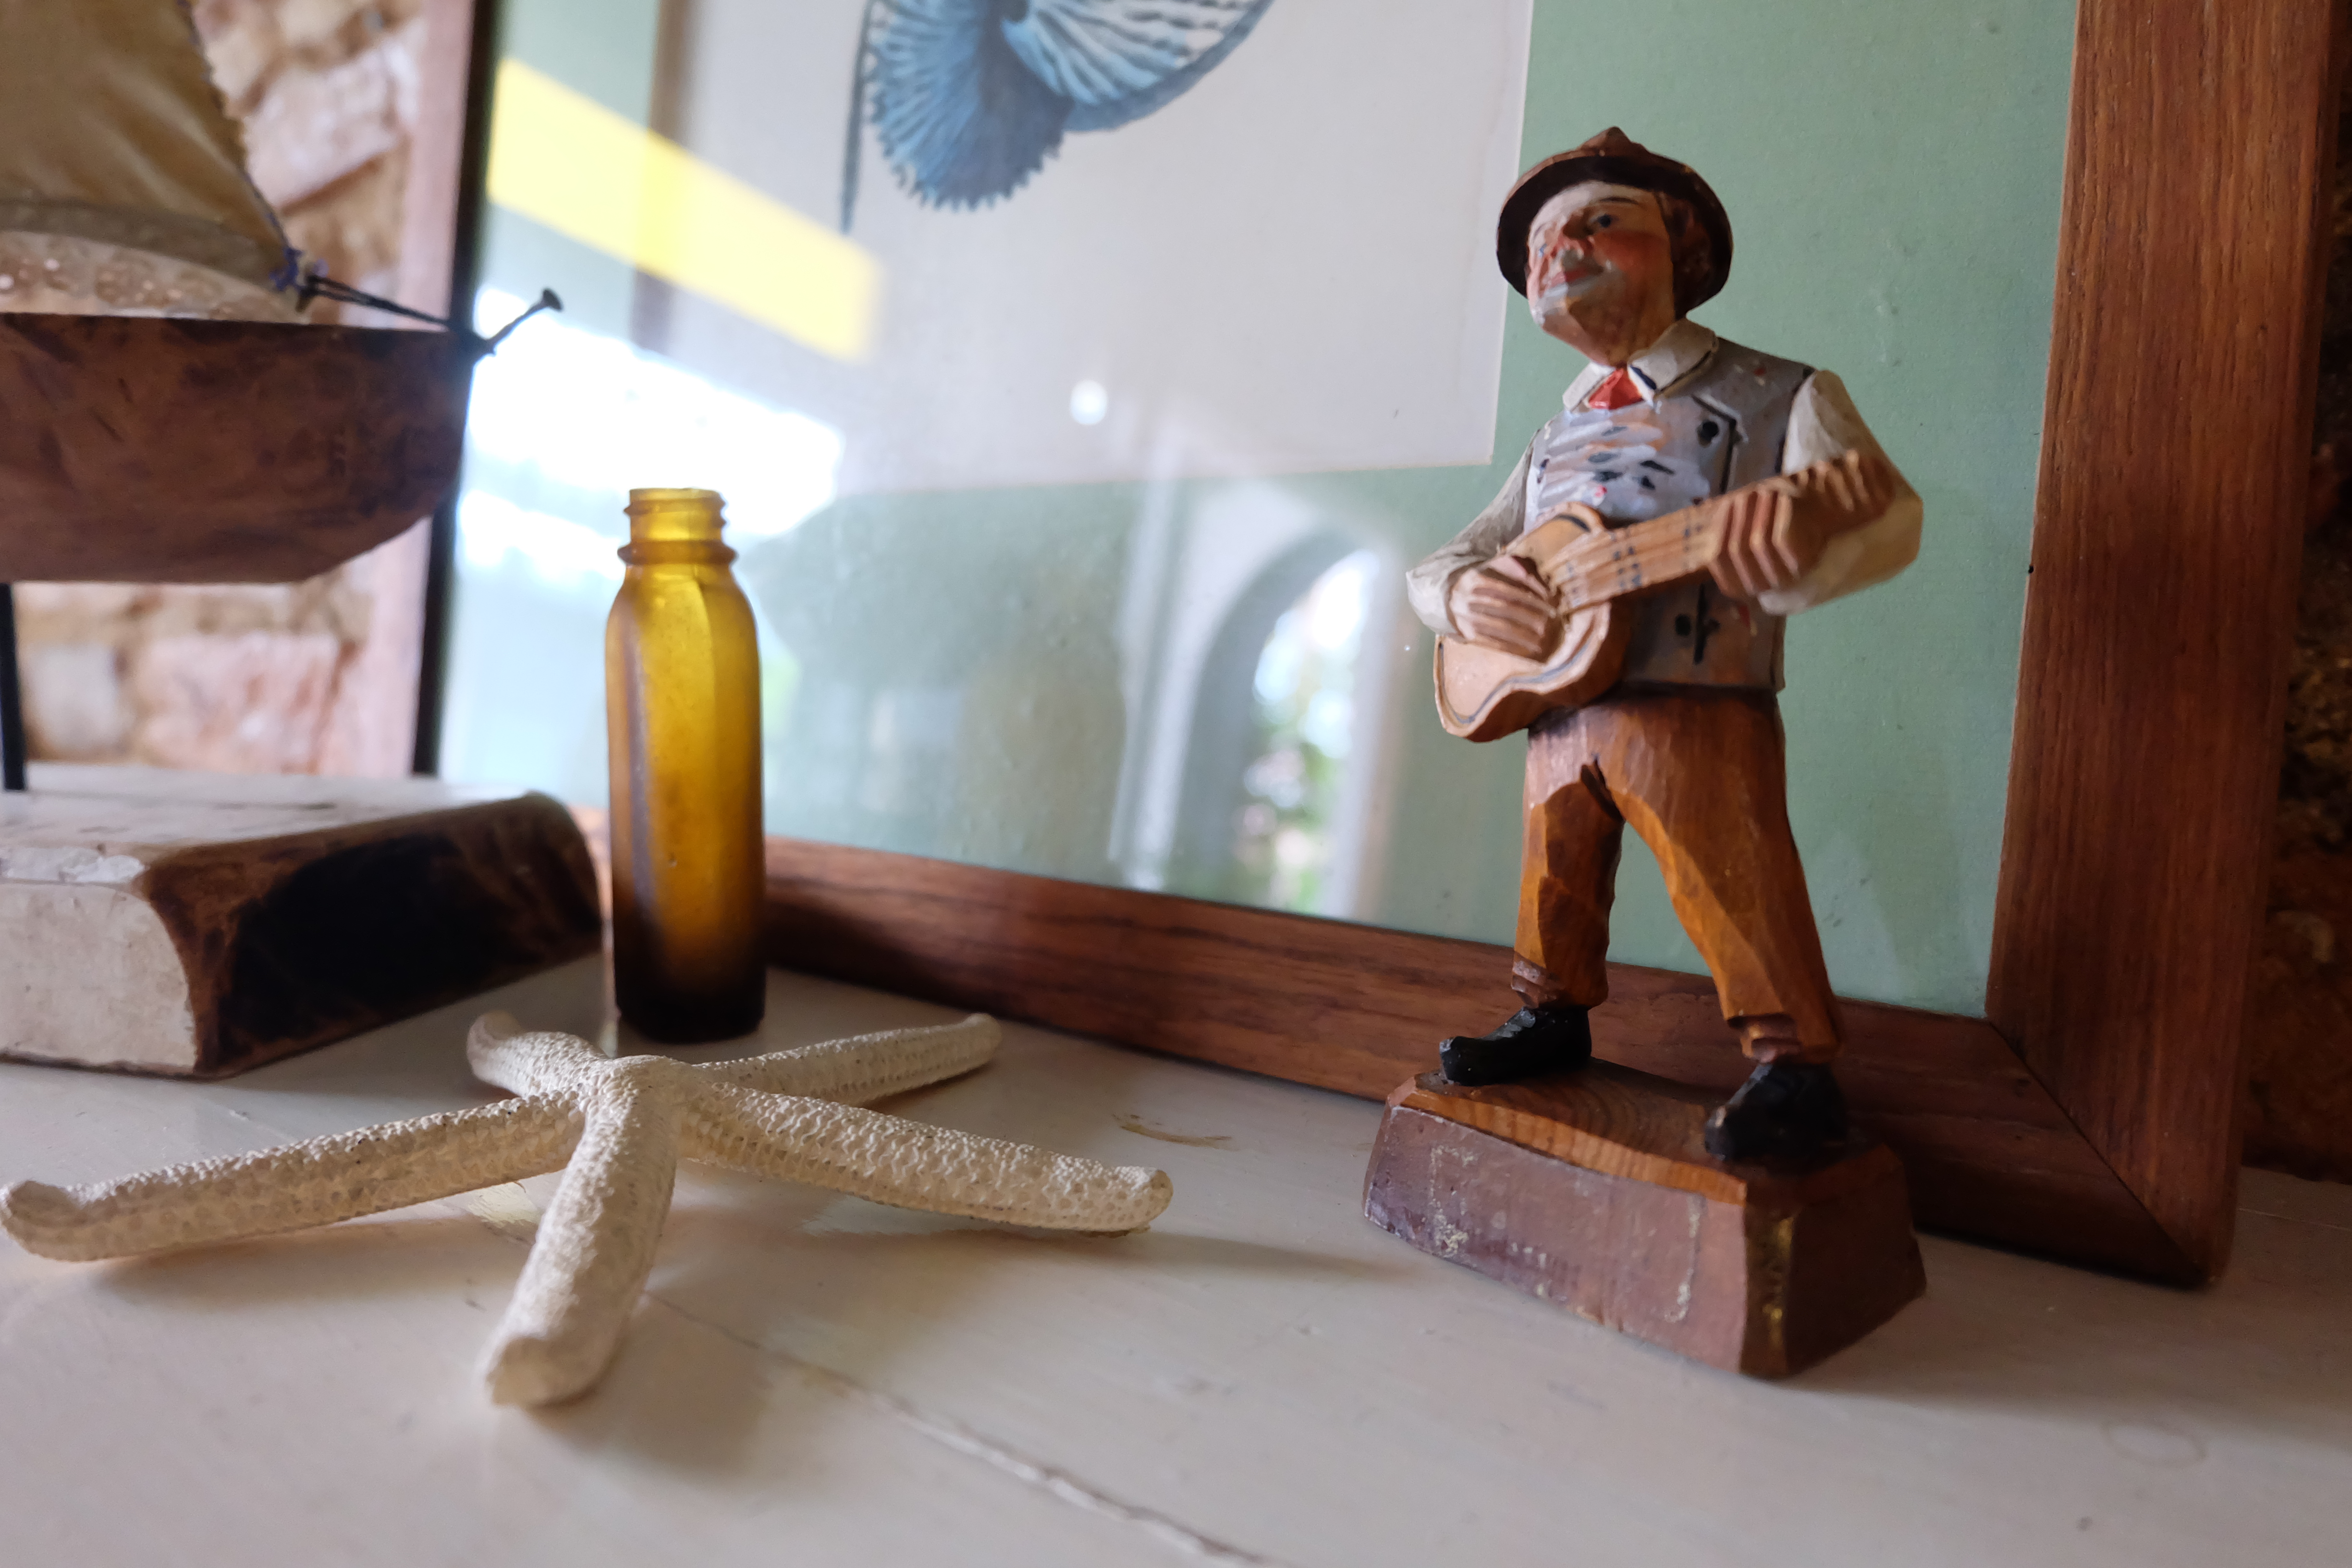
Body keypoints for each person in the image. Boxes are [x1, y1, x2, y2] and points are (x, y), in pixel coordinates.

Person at [1407, 128, 1923, 1162]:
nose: (1563, 251)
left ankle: (1792, 1060)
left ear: (1681, 248)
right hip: (1556, 698)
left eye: (1602, 222)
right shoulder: (1551, 440)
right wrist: (1466, 594)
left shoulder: (1780, 395)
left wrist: (1795, 544)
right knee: (1554, 869)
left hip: (1696, 693)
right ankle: (1549, 1012)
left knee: (1727, 865)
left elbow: (1885, 512)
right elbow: (1451, 557)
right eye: (1543, 242)